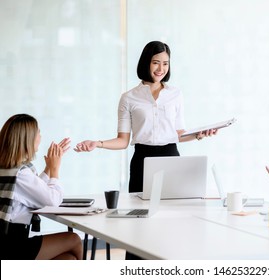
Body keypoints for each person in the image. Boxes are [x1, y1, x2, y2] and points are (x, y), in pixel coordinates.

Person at [74, 41, 217, 193]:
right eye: (156, 63)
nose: (161, 69)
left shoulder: (175, 95)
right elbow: (123, 141)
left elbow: (178, 134)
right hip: (142, 161)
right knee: (140, 211)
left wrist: (198, 135)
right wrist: (97, 143)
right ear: (146, 63)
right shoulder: (128, 98)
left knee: (173, 211)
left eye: (165, 64)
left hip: (171, 159)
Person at [0, 114, 82, 260]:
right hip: (12, 247)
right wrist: (55, 170)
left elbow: (31, 190)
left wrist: (48, 168)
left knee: (68, 259)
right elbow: (52, 201)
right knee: (74, 239)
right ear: (27, 139)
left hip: (7, 243)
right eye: (38, 132)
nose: (40, 136)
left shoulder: (8, 170)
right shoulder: (20, 174)